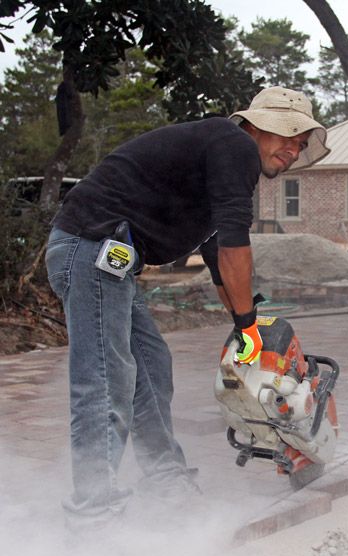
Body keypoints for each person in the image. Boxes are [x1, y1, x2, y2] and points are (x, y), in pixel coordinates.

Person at [44, 86, 330, 528]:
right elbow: (236, 244)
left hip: (110, 257)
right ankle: (92, 516)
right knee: (105, 381)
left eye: (300, 142)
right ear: (255, 126)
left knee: (152, 367)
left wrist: (244, 327)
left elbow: (218, 253)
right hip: (92, 247)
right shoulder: (234, 146)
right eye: (286, 136)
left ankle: (165, 482)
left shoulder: (224, 156)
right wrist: (247, 326)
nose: (293, 150)